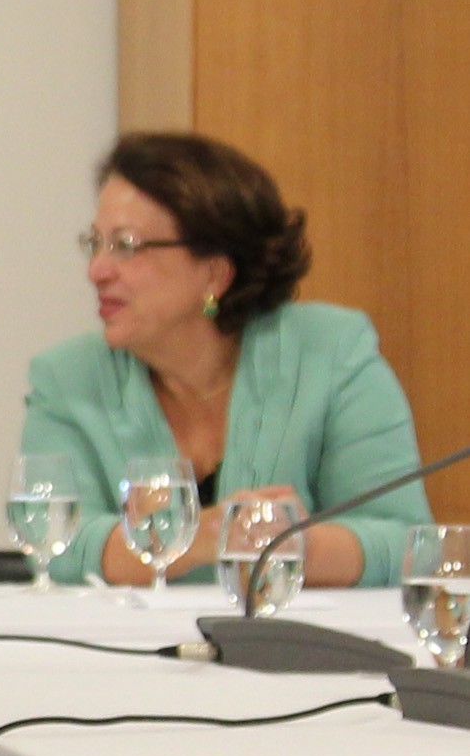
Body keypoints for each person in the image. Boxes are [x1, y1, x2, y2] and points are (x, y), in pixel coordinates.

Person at [21, 132, 427, 588]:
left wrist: (296, 545)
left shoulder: (330, 353)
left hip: (288, 649)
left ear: (215, 270)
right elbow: (56, 545)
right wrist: (204, 536)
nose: (96, 270)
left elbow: (408, 544)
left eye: (126, 246)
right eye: (94, 244)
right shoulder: (67, 378)